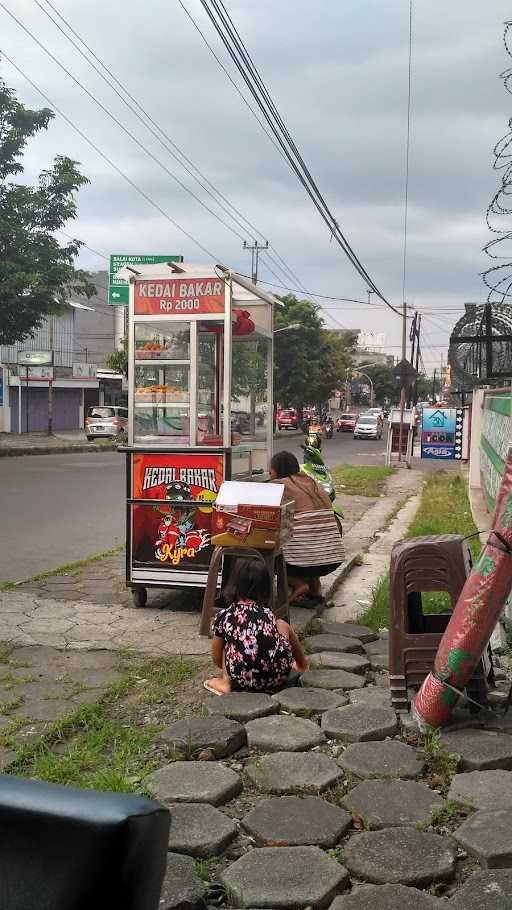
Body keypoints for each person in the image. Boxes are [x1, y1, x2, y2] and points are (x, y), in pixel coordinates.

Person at [204, 559, 308, 695]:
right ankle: (302, 665)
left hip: (240, 679)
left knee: (227, 644)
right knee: (283, 625)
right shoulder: (268, 613)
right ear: (266, 587)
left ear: (234, 585)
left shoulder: (226, 615)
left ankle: (225, 682)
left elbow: (216, 656)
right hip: (277, 677)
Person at [269, 450, 344, 603]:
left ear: (277, 470)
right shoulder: (312, 481)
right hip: (332, 560)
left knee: (269, 549)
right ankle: (315, 588)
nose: (268, 474)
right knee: (310, 539)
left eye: (270, 470)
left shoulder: (278, 485)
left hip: (302, 563)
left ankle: (298, 584)